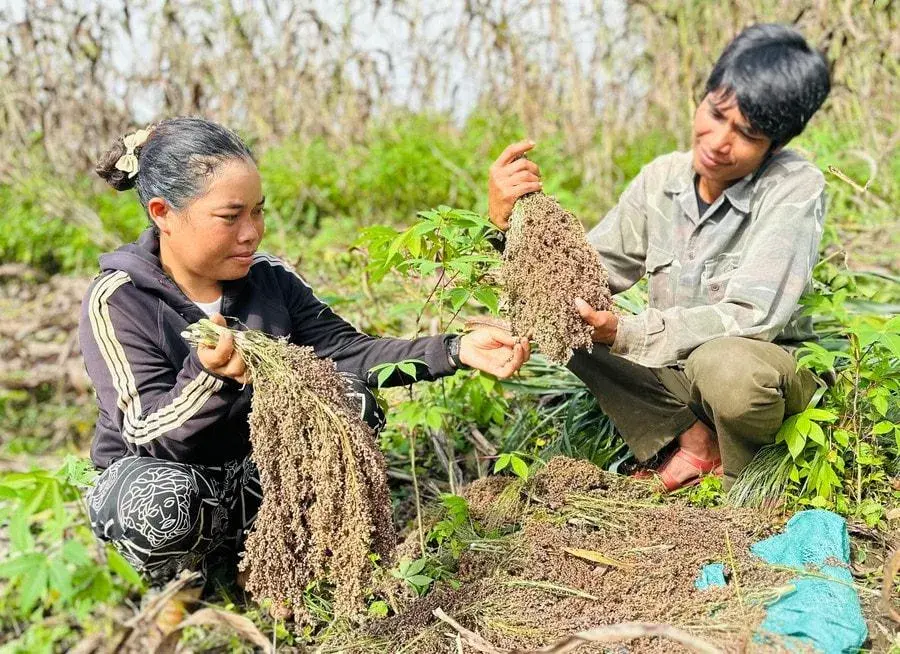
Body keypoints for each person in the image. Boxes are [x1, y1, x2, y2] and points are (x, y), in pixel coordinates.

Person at [80, 117, 530, 585]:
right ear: (163, 213)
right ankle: (180, 581)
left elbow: (345, 353)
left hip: (253, 475)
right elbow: (145, 432)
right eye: (230, 217)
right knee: (157, 500)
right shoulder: (120, 299)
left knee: (352, 401)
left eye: (258, 212)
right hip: (173, 481)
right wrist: (208, 378)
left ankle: (281, 566)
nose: (251, 232)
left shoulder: (269, 278)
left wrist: (455, 350)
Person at [487, 24, 831, 491]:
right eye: (716, 113)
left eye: (746, 133)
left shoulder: (794, 186)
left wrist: (627, 332)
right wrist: (510, 223)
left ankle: (749, 478)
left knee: (726, 366)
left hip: (760, 383)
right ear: (704, 96)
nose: (717, 141)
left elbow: (753, 318)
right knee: (560, 310)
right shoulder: (662, 179)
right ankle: (694, 444)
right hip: (675, 372)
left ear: (776, 144)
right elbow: (589, 272)